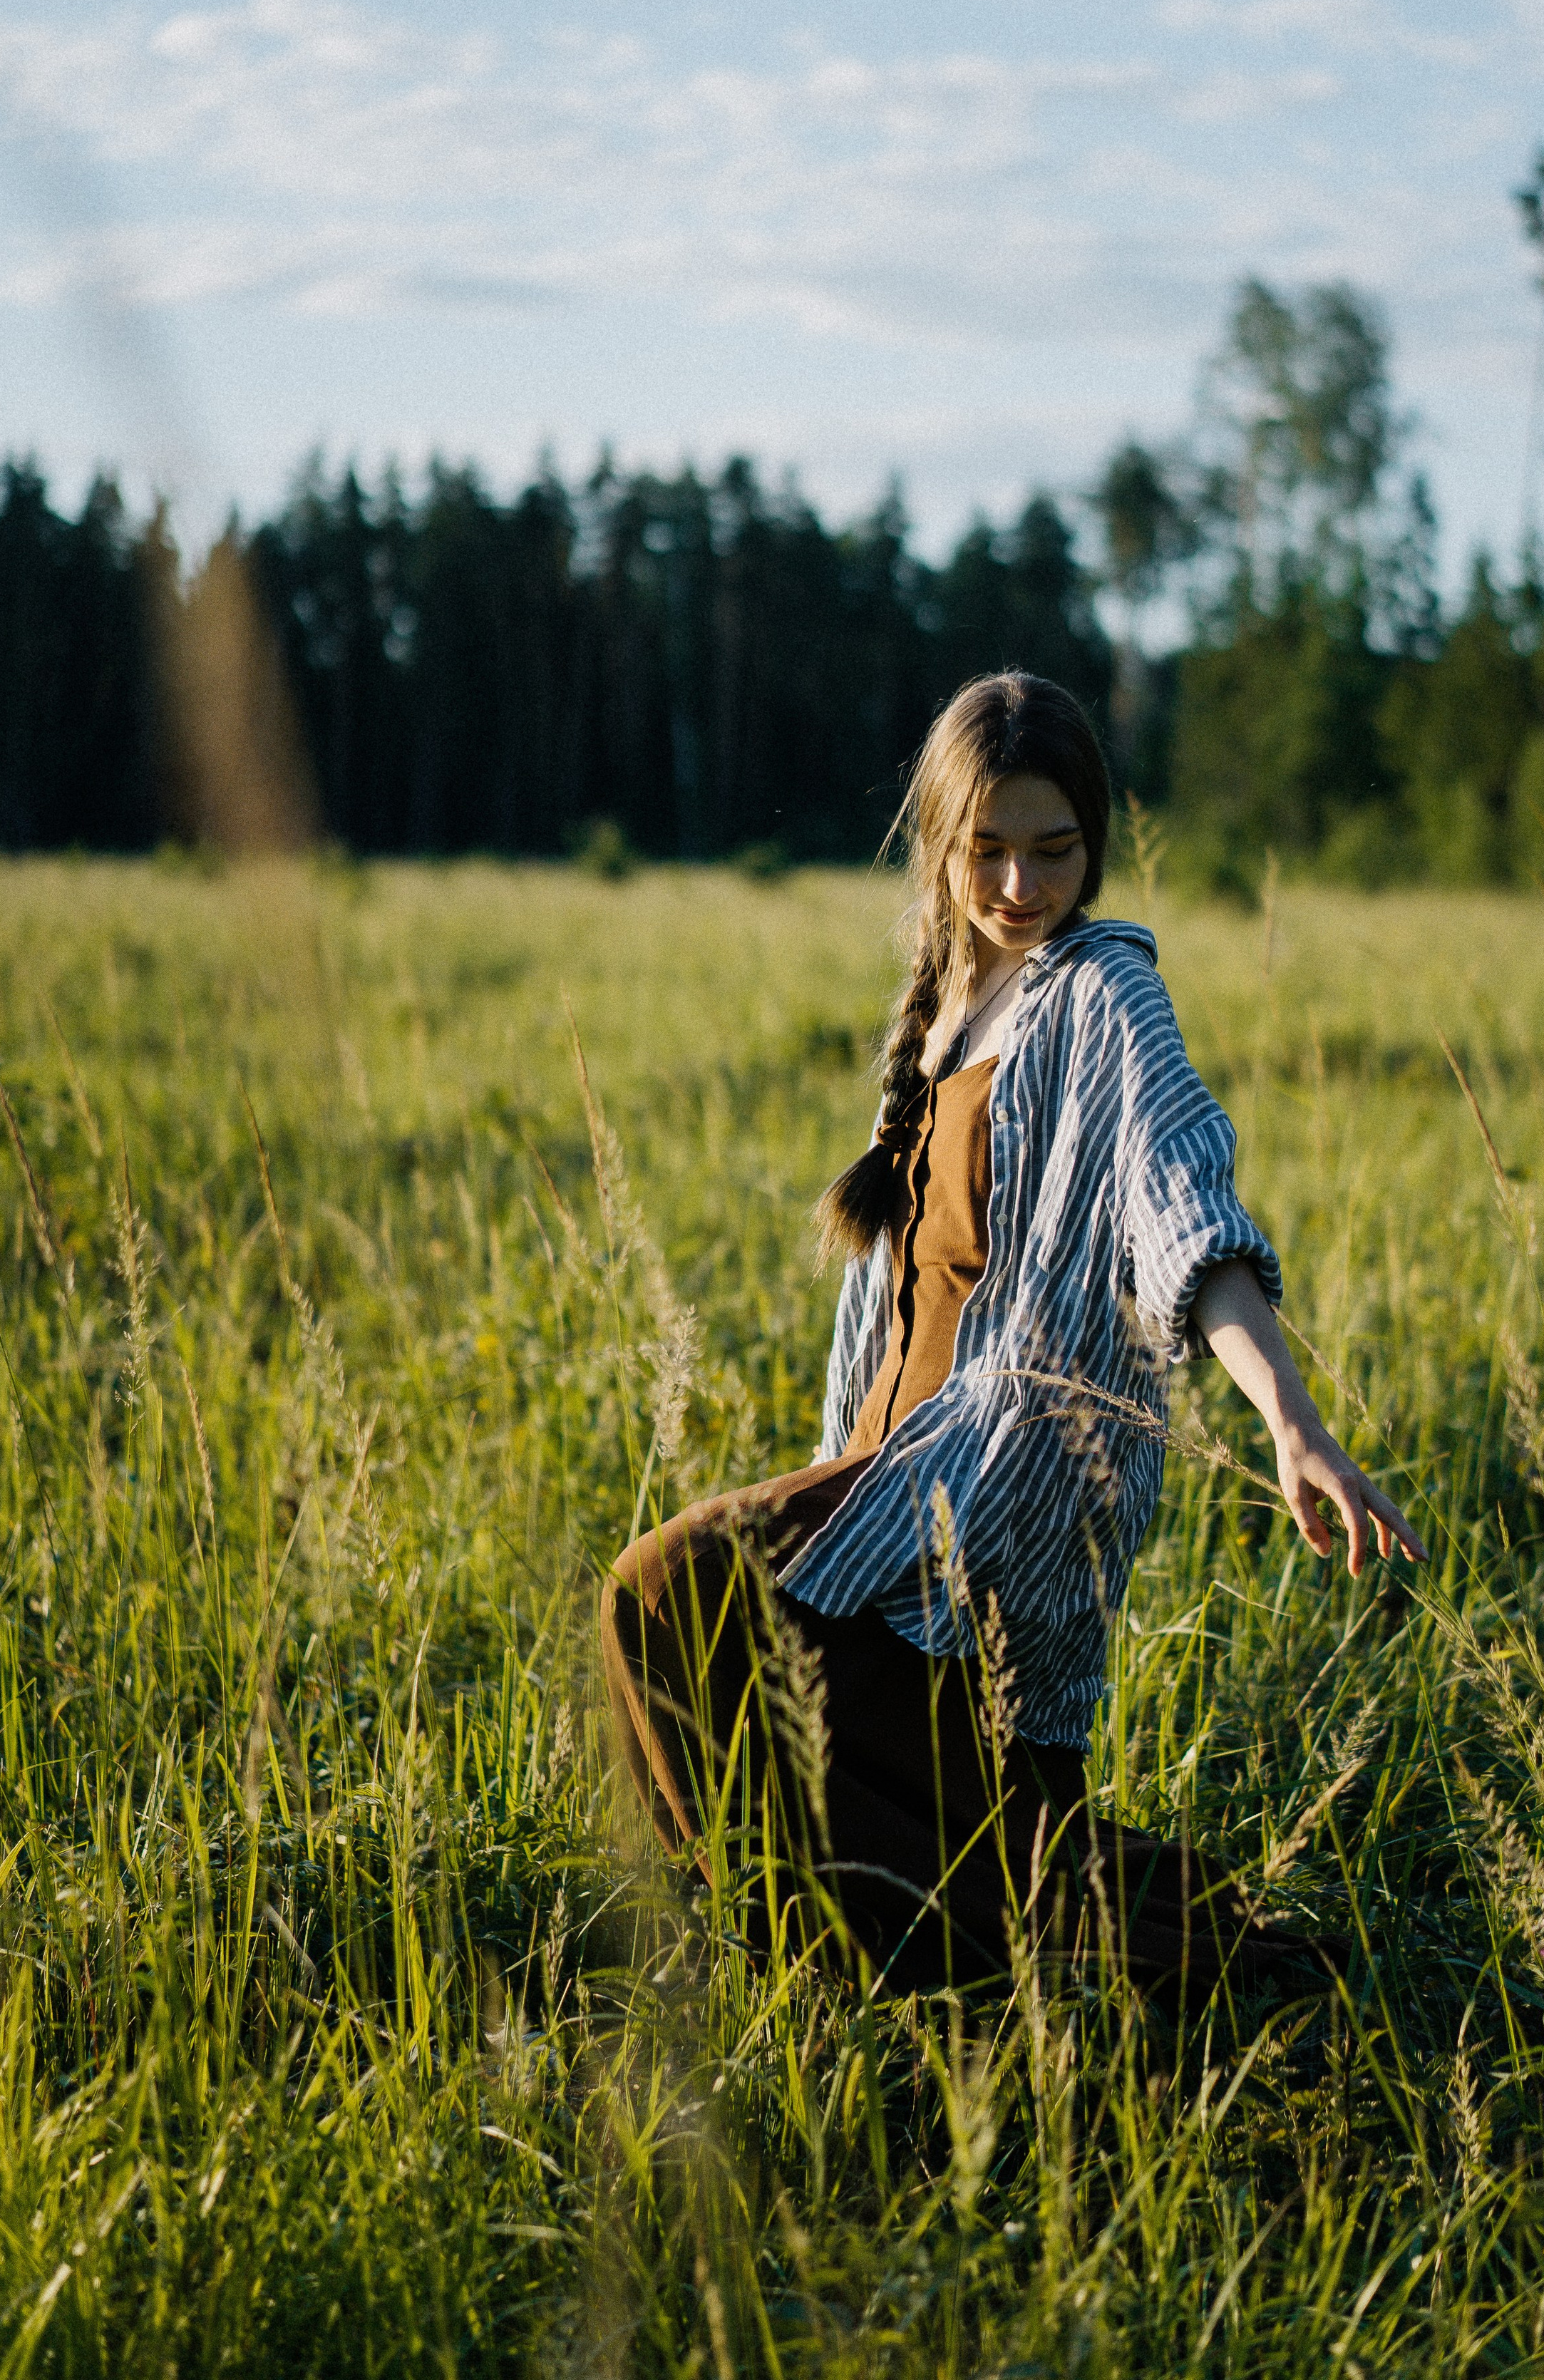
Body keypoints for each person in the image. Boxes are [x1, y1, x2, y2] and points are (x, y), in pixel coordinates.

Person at [599, 671, 1426, 2003]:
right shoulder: (939, 1011)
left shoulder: (1104, 996)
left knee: (663, 1596)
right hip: (881, 1480)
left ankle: (915, 1974)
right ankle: (910, 1978)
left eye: (1056, 849)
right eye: (988, 849)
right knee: (985, 1842)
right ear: (938, 840)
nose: (1021, 884)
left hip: (980, 1498)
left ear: (1095, 844)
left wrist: (1292, 1420)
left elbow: (1185, 1210)